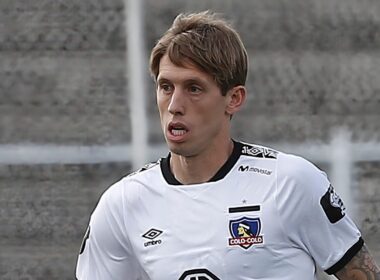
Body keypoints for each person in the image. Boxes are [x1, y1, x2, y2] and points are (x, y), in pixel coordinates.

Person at [76, 11, 380, 280]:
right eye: (166, 87)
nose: (175, 105)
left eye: (194, 88)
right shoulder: (123, 204)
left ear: (233, 99)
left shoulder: (288, 182)